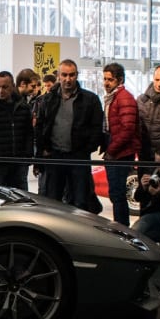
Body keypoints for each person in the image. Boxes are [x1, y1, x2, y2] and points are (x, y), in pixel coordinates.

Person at [34, 59, 103, 211]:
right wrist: (42, 151)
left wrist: (86, 149)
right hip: (55, 156)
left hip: (78, 157)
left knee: (80, 202)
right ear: (58, 76)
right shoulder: (48, 99)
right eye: (64, 75)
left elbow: (97, 128)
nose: (68, 79)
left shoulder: (90, 100)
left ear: (77, 75)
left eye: (71, 75)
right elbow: (40, 126)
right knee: (53, 202)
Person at [101, 62, 140, 225]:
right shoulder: (114, 98)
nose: (106, 83)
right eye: (104, 79)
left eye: (110, 79)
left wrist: (111, 150)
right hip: (117, 150)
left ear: (120, 80)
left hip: (120, 153)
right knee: (116, 194)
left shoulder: (124, 98)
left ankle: (122, 229)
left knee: (117, 194)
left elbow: (127, 129)